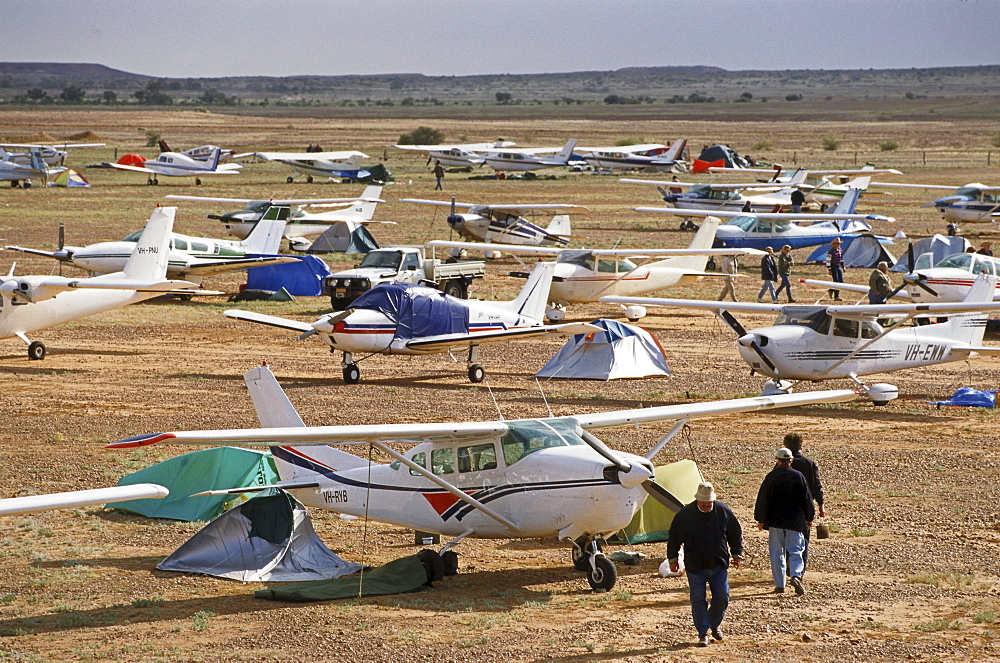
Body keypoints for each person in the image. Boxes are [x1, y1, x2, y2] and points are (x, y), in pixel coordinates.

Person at [667, 482, 743, 648]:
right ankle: (703, 633)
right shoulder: (685, 515)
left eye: (709, 504)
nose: (707, 507)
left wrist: (737, 553)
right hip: (695, 566)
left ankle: (713, 624)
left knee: (722, 596)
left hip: (718, 564)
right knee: (698, 600)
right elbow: (674, 538)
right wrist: (672, 559)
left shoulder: (723, 511)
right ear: (697, 501)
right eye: (704, 505)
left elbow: (734, 533)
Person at [755, 448, 814, 595]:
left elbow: (763, 499)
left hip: (775, 522)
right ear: (790, 461)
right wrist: (809, 518)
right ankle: (795, 576)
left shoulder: (771, 476)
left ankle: (779, 585)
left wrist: (760, 519)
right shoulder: (799, 476)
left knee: (777, 553)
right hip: (795, 521)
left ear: (778, 460)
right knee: (795, 550)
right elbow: (807, 499)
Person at [784, 433, 825, 573]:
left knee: (786, 538)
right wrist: (821, 506)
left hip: (786, 506)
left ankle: (787, 568)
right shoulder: (809, 464)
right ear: (801, 446)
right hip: (805, 507)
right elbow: (817, 486)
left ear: (786, 446)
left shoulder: (784, 463)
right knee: (803, 540)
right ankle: (799, 571)